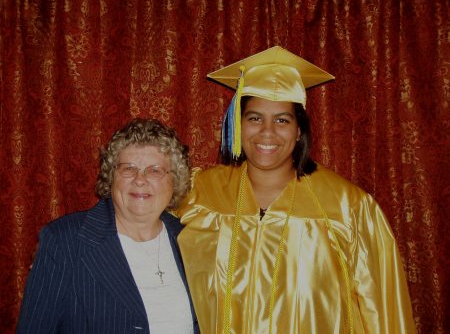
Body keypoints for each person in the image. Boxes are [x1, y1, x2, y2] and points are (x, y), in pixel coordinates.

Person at [177, 46, 416, 334]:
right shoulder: (197, 192)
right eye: (254, 118)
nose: (267, 132)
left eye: (282, 120)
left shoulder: (348, 206)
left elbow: (385, 311)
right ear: (237, 125)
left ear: (299, 130)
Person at [17, 118, 199, 334]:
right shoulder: (65, 241)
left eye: (155, 170)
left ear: (175, 180)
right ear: (111, 176)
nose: (140, 179)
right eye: (128, 169)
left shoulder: (192, 240)